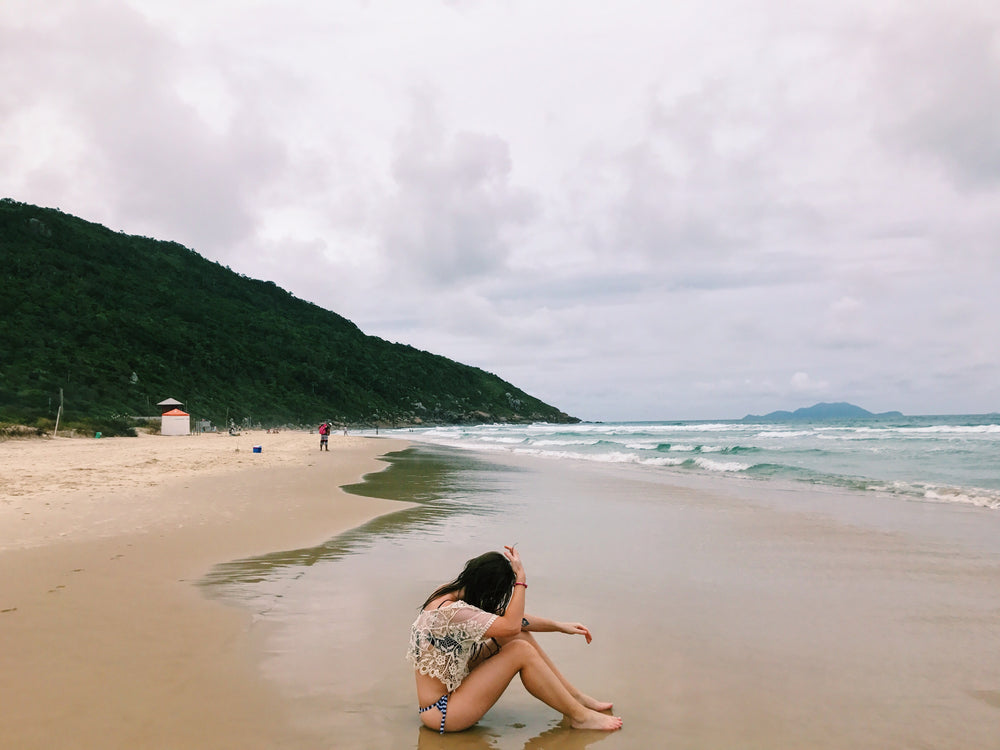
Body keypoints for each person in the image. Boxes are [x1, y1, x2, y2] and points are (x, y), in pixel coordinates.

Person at [406, 546, 622, 734]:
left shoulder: (448, 594)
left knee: (519, 637)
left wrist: (559, 626)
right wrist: (521, 581)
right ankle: (580, 717)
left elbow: (515, 624)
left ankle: (575, 698)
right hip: (443, 713)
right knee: (520, 650)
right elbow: (510, 625)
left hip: (447, 699)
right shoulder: (453, 611)